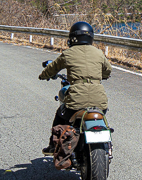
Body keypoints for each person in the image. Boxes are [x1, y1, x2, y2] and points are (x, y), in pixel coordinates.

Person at [39, 21, 112, 155]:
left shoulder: (68, 53)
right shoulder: (98, 53)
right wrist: (103, 75)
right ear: (90, 37)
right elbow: (108, 70)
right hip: (100, 101)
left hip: (76, 100)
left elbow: (52, 68)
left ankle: (53, 145)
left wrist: (43, 75)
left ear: (72, 38)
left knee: (61, 113)